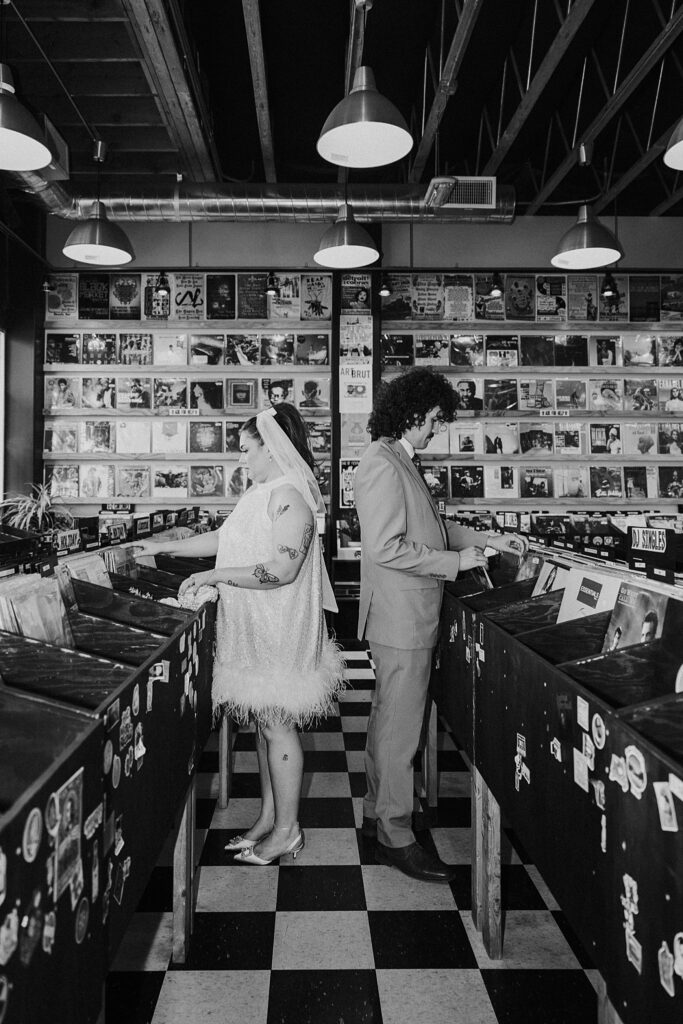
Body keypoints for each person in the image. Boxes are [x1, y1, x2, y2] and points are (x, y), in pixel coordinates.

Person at [136, 404, 345, 864]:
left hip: (280, 625)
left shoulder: (291, 496)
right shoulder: (261, 491)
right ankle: (270, 817)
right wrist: (164, 545)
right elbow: (223, 539)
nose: (240, 459)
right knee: (264, 725)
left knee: (277, 723)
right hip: (254, 625)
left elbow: (283, 569)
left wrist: (215, 577)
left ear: (272, 448)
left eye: (246, 449)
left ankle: (288, 830)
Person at [353, 367, 527, 883]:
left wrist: (487, 541)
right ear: (410, 414)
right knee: (400, 727)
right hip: (401, 616)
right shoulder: (383, 464)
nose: (435, 430)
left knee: (390, 719)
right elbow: (386, 547)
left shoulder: (401, 460)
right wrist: (459, 563)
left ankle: (376, 813)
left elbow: (432, 526)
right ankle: (396, 834)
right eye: (432, 420)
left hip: (407, 613)